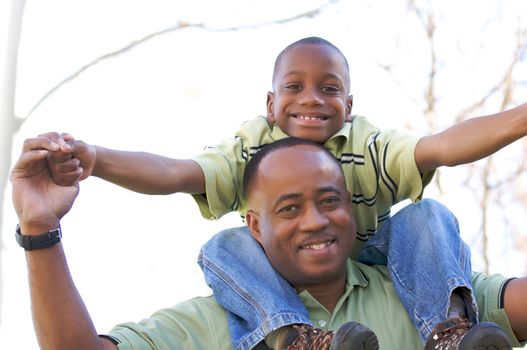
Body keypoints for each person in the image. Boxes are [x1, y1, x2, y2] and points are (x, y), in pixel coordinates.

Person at [40, 36, 527, 349]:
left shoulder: (365, 144)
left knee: (426, 216)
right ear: (271, 104)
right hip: (267, 289)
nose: (312, 99)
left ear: (350, 105)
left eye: (329, 89)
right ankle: (291, 335)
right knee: (223, 247)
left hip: (382, 255)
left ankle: (447, 330)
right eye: (295, 86)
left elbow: (441, 147)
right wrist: (96, 161)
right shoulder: (250, 150)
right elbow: (173, 172)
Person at [10, 136, 527, 350]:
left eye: (330, 201)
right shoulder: (216, 322)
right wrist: (39, 230)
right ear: (253, 226)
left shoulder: (428, 292)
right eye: (289, 208)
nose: (314, 221)